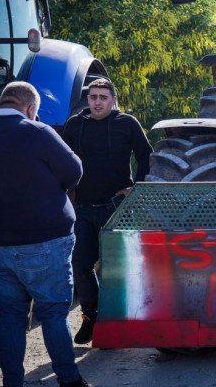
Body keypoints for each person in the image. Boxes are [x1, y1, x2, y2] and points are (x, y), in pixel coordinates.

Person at [0, 82, 88, 387]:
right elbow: (74, 172)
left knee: (12, 315)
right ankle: (69, 380)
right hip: (44, 243)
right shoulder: (38, 133)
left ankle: (12, 382)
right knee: (54, 313)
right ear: (31, 109)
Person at [62, 78, 153, 345]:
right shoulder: (75, 125)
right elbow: (62, 158)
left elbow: (146, 155)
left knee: (117, 270)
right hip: (82, 208)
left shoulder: (127, 123)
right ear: (87, 100)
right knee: (80, 266)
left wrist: (135, 188)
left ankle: (118, 325)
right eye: (93, 97)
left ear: (113, 99)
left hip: (116, 207)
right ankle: (91, 317)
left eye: (103, 97)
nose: (97, 101)